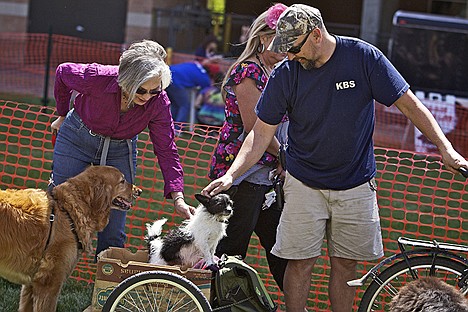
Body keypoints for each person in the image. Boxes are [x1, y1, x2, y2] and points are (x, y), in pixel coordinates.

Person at [202, 4, 468, 312]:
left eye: (295, 49)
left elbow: (409, 105)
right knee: (299, 263)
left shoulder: (364, 57)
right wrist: (231, 176)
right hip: (303, 184)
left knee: (345, 265)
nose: (289, 56)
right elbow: (260, 134)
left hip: (356, 184)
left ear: (316, 35)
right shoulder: (286, 73)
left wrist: (446, 149)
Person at [50, 39, 196, 260]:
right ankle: (48, 263)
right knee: (61, 204)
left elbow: (166, 148)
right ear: (127, 80)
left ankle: (106, 278)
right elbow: (63, 73)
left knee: (115, 222)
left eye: (154, 91)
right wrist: (62, 114)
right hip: (77, 138)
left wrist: (178, 197)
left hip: (120, 148)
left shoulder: (159, 103)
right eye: (141, 90)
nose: (147, 97)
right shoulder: (98, 77)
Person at [208, 3, 289, 290]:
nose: (285, 46)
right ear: (263, 36)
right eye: (280, 39)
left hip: (268, 177)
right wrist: (284, 155)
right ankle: (217, 303)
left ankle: (295, 305)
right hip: (241, 177)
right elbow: (255, 128)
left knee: (282, 250)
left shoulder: (279, 71)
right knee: (230, 252)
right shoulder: (248, 72)